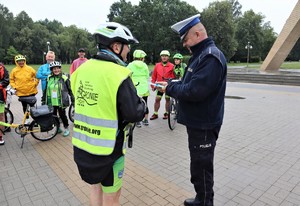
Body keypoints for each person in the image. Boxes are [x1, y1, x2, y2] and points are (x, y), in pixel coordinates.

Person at [71, 22, 145, 206]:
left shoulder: (81, 70)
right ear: (117, 46)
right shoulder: (119, 74)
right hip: (109, 150)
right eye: (127, 47)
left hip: (83, 146)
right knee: (112, 199)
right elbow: (134, 113)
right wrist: (143, 105)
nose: (128, 52)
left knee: (95, 189)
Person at [157, 14, 227, 206]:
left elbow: (195, 91)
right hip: (198, 122)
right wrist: (171, 82)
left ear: (197, 34)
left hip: (204, 123)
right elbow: (190, 83)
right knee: (198, 164)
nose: (185, 45)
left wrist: (170, 88)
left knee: (202, 166)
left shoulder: (210, 57)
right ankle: (201, 198)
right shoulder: (201, 56)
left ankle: (205, 202)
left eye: (186, 39)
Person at [41, 61, 74, 137]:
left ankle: (66, 128)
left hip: (61, 101)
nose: (56, 70)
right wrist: (43, 99)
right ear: (52, 70)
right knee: (53, 115)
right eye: (54, 69)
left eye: (58, 68)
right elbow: (46, 89)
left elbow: (70, 90)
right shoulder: (49, 78)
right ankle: (58, 127)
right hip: (51, 101)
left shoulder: (64, 78)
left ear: (60, 69)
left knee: (62, 115)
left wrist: (73, 99)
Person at [10, 55, 39, 124]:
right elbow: (11, 80)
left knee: (33, 107)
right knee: (24, 107)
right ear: (16, 62)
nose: (21, 62)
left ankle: (36, 120)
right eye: (19, 61)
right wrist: (15, 87)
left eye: (22, 61)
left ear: (24, 61)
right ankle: (27, 119)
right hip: (21, 93)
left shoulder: (30, 69)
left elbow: (37, 76)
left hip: (31, 91)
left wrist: (35, 84)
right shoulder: (14, 71)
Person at [127, 49, 150, 127]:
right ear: (142, 58)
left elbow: (127, 75)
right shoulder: (144, 65)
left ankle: (138, 121)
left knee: (136, 104)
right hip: (144, 88)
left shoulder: (130, 65)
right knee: (145, 103)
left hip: (135, 87)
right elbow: (147, 76)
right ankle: (146, 120)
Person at [149, 50, 175, 120]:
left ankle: (166, 113)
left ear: (168, 57)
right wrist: (153, 85)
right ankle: (155, 113)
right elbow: (154, 77)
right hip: (160, 86)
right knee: (157, 99)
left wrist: (170, 84)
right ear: (161, 57)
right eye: (163, 56)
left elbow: (173, 77)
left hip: (167, 86)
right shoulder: (157, 65)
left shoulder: (172, 66)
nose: (164, 57)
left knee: (167, 99)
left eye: (166, 56)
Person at [0, 63, 9, 145]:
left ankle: (0, 136)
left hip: (0, 97)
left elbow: (6, 81)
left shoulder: (1, 67)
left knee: (1, 116)